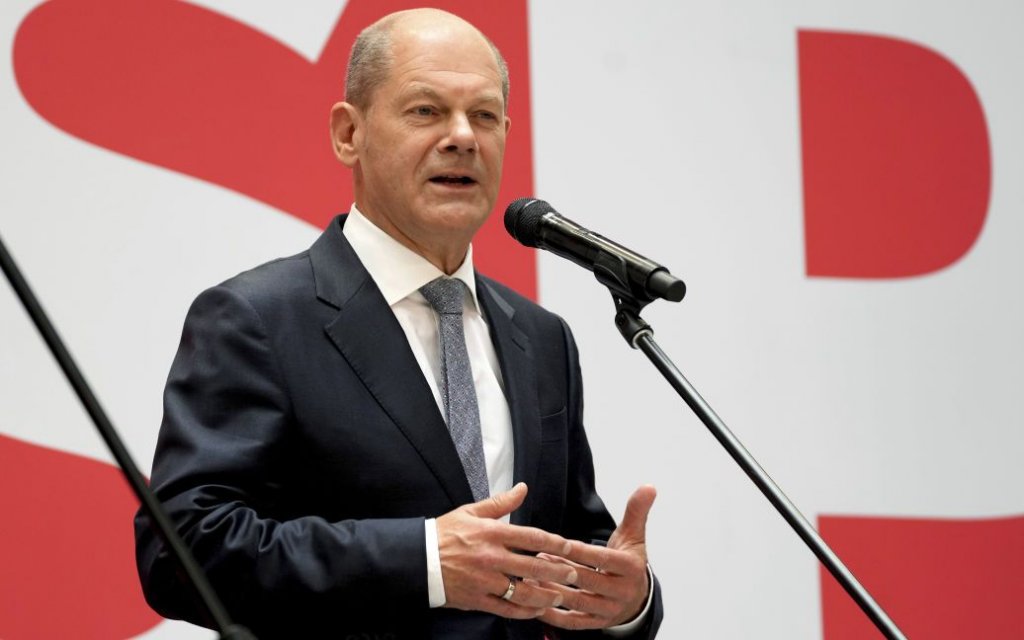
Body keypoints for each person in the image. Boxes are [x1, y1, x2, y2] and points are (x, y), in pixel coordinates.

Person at [135, 8, 663, 639]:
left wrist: (624, 603)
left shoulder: (542, 338)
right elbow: (183, 550)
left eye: (484, 116)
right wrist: (425, 561)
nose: (462, 137)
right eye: (426, 110)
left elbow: (569, 546)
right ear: (348, 133)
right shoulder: (257, 319)